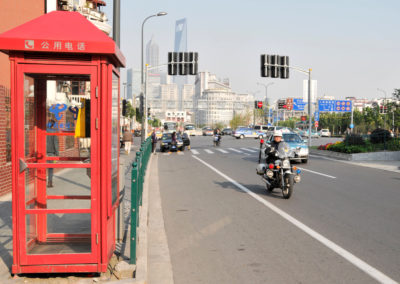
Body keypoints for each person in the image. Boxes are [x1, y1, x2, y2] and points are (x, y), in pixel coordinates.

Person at [47, 119, 59, 188]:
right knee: (50, 168)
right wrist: (57, 154)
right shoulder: (54, 132)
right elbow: (55, 144)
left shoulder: (44, 131)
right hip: (51, 153)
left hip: (43, 152)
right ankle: (50, 182)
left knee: (42, 168)